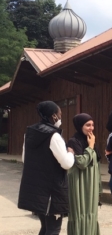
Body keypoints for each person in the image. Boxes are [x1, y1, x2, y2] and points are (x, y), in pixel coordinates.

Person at [18, 101, 75, 235]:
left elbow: (24, 159)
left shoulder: (30, 133)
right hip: (52, 192)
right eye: (60, 114)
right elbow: (66, 163)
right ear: (54, 116)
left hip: (37, 191)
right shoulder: (54, 136)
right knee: (54, 229)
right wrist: (71, 153)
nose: (61, 117)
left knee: (45, 227)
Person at [66, 113, 101, 235]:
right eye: (87, 125)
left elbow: (96, 164)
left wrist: (99, 188)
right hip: (79, 183)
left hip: (91, 184)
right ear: (80, 126)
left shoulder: (89, 140)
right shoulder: (73, 141)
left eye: (92, 125)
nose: (91, 128)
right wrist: (91, 146)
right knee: (80, 214)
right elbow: (82, 162)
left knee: (91, 214)